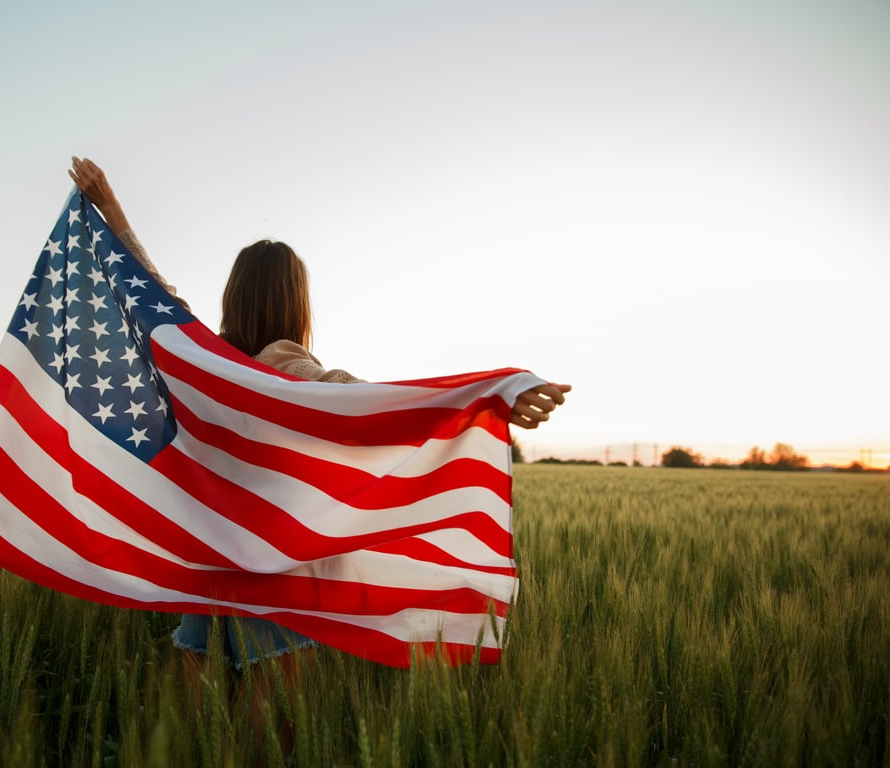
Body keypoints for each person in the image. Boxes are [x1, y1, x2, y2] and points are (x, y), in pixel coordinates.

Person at [67, 154, 571, 752]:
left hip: (211, 569)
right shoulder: (287, 361)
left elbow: (151, 291)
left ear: (233, 297)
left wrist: (109, 206)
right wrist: (493, 393)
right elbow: (363, 398)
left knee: (193, 742)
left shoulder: (205, 362)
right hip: (279, 576)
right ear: (295, 303)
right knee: (266, 745)